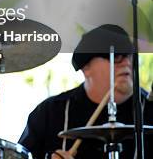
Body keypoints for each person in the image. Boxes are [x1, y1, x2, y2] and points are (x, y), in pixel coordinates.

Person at [19, 24, 153, 159]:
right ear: (86, 67)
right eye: (116, 56)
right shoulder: (50, 112)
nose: (126, 63)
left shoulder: (150, 109)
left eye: (130, 55)